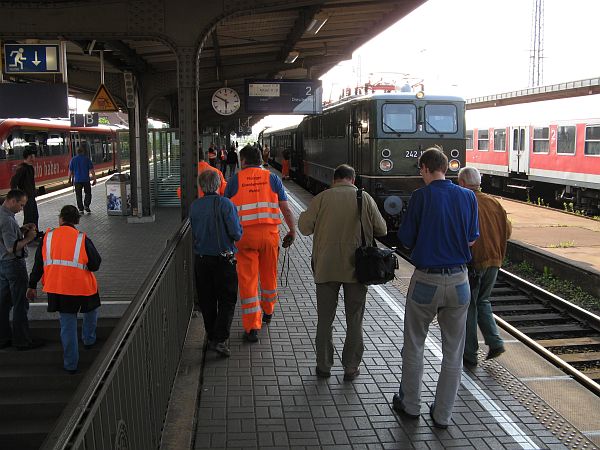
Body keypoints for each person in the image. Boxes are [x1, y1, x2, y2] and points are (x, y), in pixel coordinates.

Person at [392, 147, 479, 429]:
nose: (420, 174)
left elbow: (405, 240)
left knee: (415, 343)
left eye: (420, 170)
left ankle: (411, 405)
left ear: (427, 168)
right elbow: (471, 241)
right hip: (459, 282)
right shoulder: (467, 196)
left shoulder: (420, 197)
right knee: (453, 351)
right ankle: (442, 415)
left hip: (426, 281)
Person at [298, 164, 387, 381]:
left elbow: (304, 228)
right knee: (355, 319)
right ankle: (351, 367)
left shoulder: (322, 198)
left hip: (326, 267)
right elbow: (382, 229)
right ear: (353, 179)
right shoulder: (363, 198)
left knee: (325, 320)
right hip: (358, 269)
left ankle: (323, 366)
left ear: (334, 180)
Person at [224, 145, 296, 342]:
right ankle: (268, 311)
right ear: (259, 159)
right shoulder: (272, 178)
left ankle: (252, 327)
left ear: (243, 161)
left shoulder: (234, 180)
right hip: (269, 236)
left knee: (248, 280)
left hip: (243, 237)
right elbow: (286, 209)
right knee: (269, 273)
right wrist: (292, 230)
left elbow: (225, 209)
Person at [26, 205, 101, 374]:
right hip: (82, 287)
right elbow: (95, 264)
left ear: (61, 219)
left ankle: (70, 365)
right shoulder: (82, 238)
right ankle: (89, 340)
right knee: (91, 311)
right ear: (76, 220)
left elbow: (38, 265)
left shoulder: (48, 237)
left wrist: (31, 285)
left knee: (67, 326)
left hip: (58, 288)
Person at [458, 167, 512, 366]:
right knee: (483, 301)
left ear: (463, 183)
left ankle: (470, 354)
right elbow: (507, 231)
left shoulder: (465, 202)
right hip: (495, 260)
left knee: (470, 305)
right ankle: (495, 341)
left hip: (474, 262)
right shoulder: (494, 202)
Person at [190, 170, 242, 357]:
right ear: (219, 184)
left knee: (207, 300)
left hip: (202, 261)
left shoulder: (194, 206)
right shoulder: (225, 204)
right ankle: (220, 340)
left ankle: (212, 336)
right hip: (223, 260)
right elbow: (236, 233)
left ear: (201, 186)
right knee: (227, 300)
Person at [0, 189, 41, 350]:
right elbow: (12, 247)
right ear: (12, 201)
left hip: (2, 265)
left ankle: (3, 338)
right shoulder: (8, 220)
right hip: (13, 265)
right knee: (20, 303)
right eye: (21, 205)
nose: (22, 209)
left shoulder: (3, 215)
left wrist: (21, 229)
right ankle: (22, 341)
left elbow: (5, 238)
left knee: (3, 303)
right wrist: (29, 238)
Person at [10, 146, 42, 238]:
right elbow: (13, 182)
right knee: (28, 217)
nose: (34, 157)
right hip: (26, 197)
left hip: (31, 196)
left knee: (35, 215)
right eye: (33, 155)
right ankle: (28, 236)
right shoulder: (22, 168)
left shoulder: (30, 168)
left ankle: (35, 233)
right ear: (30, 156)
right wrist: (17, 196)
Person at [69, 147, 97, 214]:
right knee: (88, 193)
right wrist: (94, 179)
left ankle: (80, 209)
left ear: (77, 152)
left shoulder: (73, 160)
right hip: (86, 180)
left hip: (77, 180)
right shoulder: (86, 159)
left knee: (78, 195)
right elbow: (91, 170)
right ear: (83, 152)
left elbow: (70, 171)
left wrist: (69, 179)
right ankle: (86, 205)